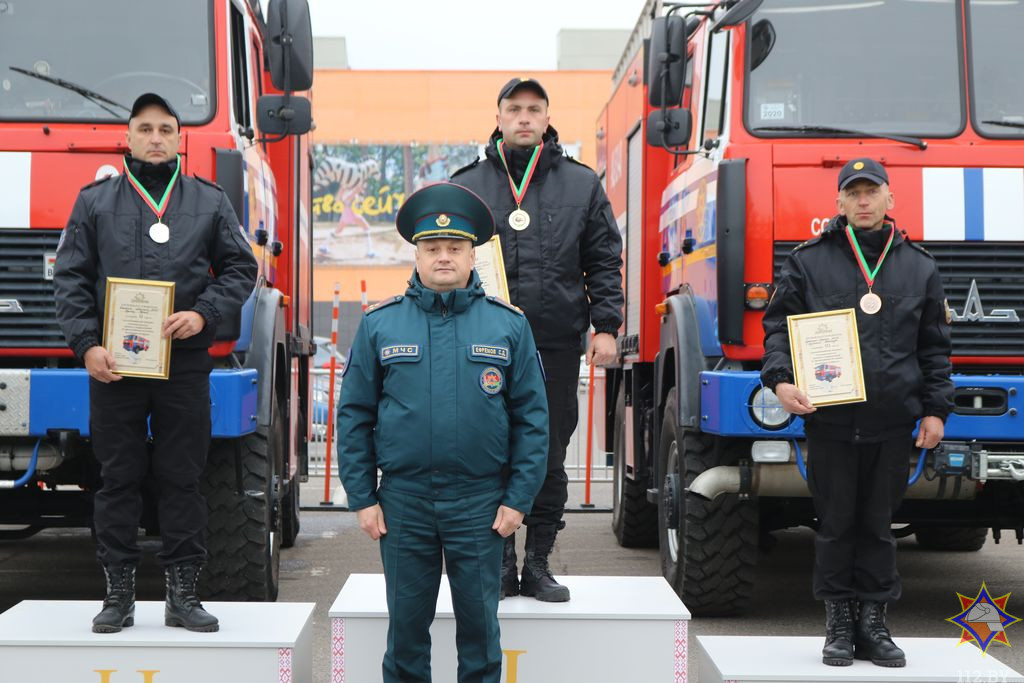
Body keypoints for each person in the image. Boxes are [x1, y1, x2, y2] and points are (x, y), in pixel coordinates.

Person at [54, 93, 258, 634]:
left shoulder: (209, 202)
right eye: (144, 128)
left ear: (178, 138)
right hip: (113, 367)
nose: (155, 138)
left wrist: (203, 315)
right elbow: (71, 278)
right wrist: (86, 346)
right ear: (128, 136)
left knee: (183, 478)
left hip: (184, 364)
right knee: (117, 478)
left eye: (165, 129)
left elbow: (242, 268)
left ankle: (182, 596)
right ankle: (118, 596)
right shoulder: (95, 202)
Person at [337, 182, 549, 683]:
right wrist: (363, 498)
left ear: (473, 253)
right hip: (403, 504)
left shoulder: (509, 327)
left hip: (479, 503)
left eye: (455, 248)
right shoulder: (380, 325)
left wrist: (518, 500)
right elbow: (354, 417)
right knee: (406, 636)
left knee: (480, 636)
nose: (444, 257)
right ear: (417, 254)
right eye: (433, 248)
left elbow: (533, 421)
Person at [760, 158, 952, 668]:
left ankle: (875, 622)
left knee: (878, 524)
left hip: (894, 422)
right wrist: (780, 379)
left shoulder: (920, 266)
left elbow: (934, 348)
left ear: (891, 199)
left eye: (873, 191)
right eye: (854, 193)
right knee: (836, 522)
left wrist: (936, 410)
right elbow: (778, 328)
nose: (863, 201)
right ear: (839, 203)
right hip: (832, 419)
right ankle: (839, 623)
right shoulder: (808, 262)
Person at [451, 77, 623, 602]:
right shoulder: (467, 185)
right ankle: (501, 564)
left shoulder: (581, 184)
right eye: (514, 109)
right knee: (489, 453)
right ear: (499, 117)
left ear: (547, 119)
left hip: (553, 345)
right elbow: (446, 259)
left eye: (534, 109)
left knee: (547, 454)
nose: (524, 117)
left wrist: (608, 327)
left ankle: (539, 564)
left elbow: (603, 260)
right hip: (482, 344)